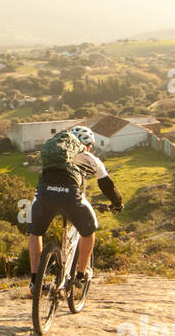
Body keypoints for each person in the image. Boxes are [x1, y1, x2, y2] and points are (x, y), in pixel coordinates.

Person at [27, 126, 124, 298]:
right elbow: (107, 185)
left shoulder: (55, 153)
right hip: (70, 195)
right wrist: (117, 203)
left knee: (35, 233)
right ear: (88, 145)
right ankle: (80, 275)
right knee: (89, 230)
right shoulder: (89, 157)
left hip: (44, 192)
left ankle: (35, 281)